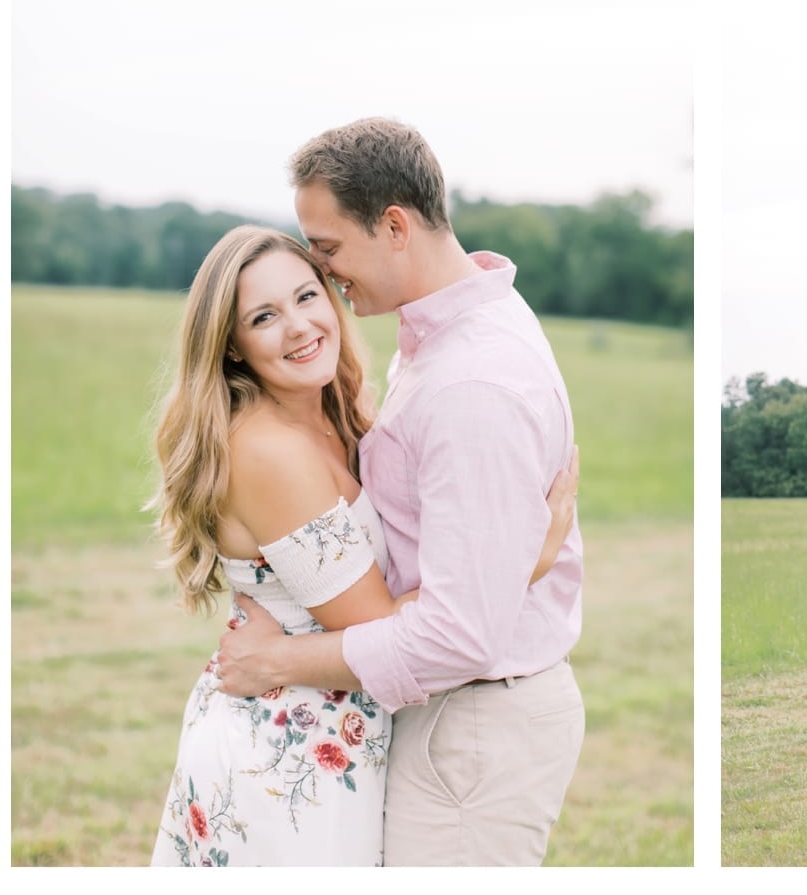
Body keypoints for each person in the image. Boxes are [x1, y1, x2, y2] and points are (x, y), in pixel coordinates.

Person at [214, 117, 586, 866]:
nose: (326, 274)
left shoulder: (470, 381)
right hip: (453, 715)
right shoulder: (448, 334)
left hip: (473, 724)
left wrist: (278, 660)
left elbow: (458, 632)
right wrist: (526, 552)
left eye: (327, 250)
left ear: (392, 225)